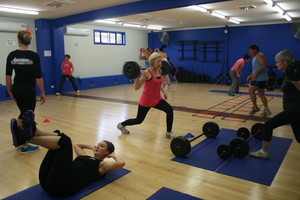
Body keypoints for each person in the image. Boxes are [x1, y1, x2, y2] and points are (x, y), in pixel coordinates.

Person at [10, 110, 125, 197]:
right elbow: (77, 145)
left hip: (62, 186)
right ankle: (32, 134)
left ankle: (28, 137)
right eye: (98, 144)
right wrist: (90, 147)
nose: (98, 146)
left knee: (65, 141)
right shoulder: (85, 157)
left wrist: (114, 155)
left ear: (107, 152)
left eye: (102, 146)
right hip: (47, 180)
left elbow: (121, 163)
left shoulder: (102, 166)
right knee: (59, 142)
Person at [250, 49, 300, 159]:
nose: (276, 64)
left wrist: (295, 81)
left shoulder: (293, 74)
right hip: (293, 110)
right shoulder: (289, 73)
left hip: (294, 110)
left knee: (268, 125)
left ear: (285, 62)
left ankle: (263, 152)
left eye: (277, 62)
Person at [117, 52, 176, 139]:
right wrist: (137, 76)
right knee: (139, 120)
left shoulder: (160, 71)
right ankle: (121, 125)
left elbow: (157, 83)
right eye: (158, 61)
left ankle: (168, 132)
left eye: (160, 61)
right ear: (152, 61)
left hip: (157, 99)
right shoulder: (147, 73)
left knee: (169, 110)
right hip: (147, 100)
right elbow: (136, 88)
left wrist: (163, 92)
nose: (160, 63)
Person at [6, 30, 46, 154]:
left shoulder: (12, 55)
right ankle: (25, 145)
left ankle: (20, 139)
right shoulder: (34, 56)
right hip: (29, 90)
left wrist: (9, 91)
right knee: (27, 117)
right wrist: (43, 92)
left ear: (18, 41)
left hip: (17, 89)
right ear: (29, 41)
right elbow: (38, 77)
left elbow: (8, 76)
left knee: (23, 113)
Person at [247, 44, 271, 117]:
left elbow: (263, 65)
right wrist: (250, 75)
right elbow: (255, 68)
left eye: (251, 51)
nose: (250, 52)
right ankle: (266, 110)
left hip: (261, 78)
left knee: (251, 91)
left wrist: (256, 73)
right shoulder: (254, 57)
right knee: (261, 94)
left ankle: (255, 107)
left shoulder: (259, 55)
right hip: (256, 78)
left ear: (255, 50)